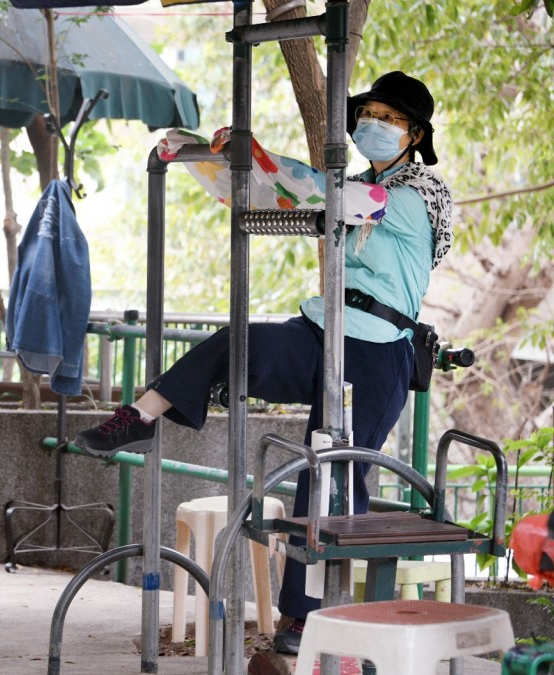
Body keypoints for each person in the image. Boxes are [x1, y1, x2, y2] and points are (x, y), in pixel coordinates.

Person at [74, 72, 452, 654]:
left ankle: (306, 617)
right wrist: (207, 158)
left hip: (378, 352)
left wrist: (255, 154)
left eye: (389, 119)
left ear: (415, 135)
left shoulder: (414, 196)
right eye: (368, 114)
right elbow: (271, 195)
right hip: (325, 329)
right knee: (240, 342)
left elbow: (314, 191)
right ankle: (140, 415)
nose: (373, 124)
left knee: (327, 479)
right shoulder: (357, 186)